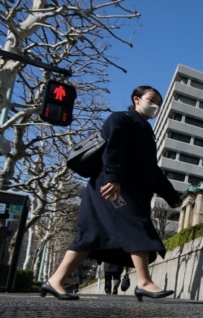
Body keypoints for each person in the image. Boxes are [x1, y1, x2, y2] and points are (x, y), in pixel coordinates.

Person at [40, 86, 182, 302]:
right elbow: (112, 147)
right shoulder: (121, 119)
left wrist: (171, 196)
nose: (155, 106)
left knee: (90, 236)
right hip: (111, 188)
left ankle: (55, 280)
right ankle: (144, 282)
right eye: (151, 99)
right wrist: (113, 178)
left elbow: (152, 170)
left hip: (121, 189)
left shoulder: (146, 132)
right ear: (136, 99)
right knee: (137, 225)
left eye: (159, 103)